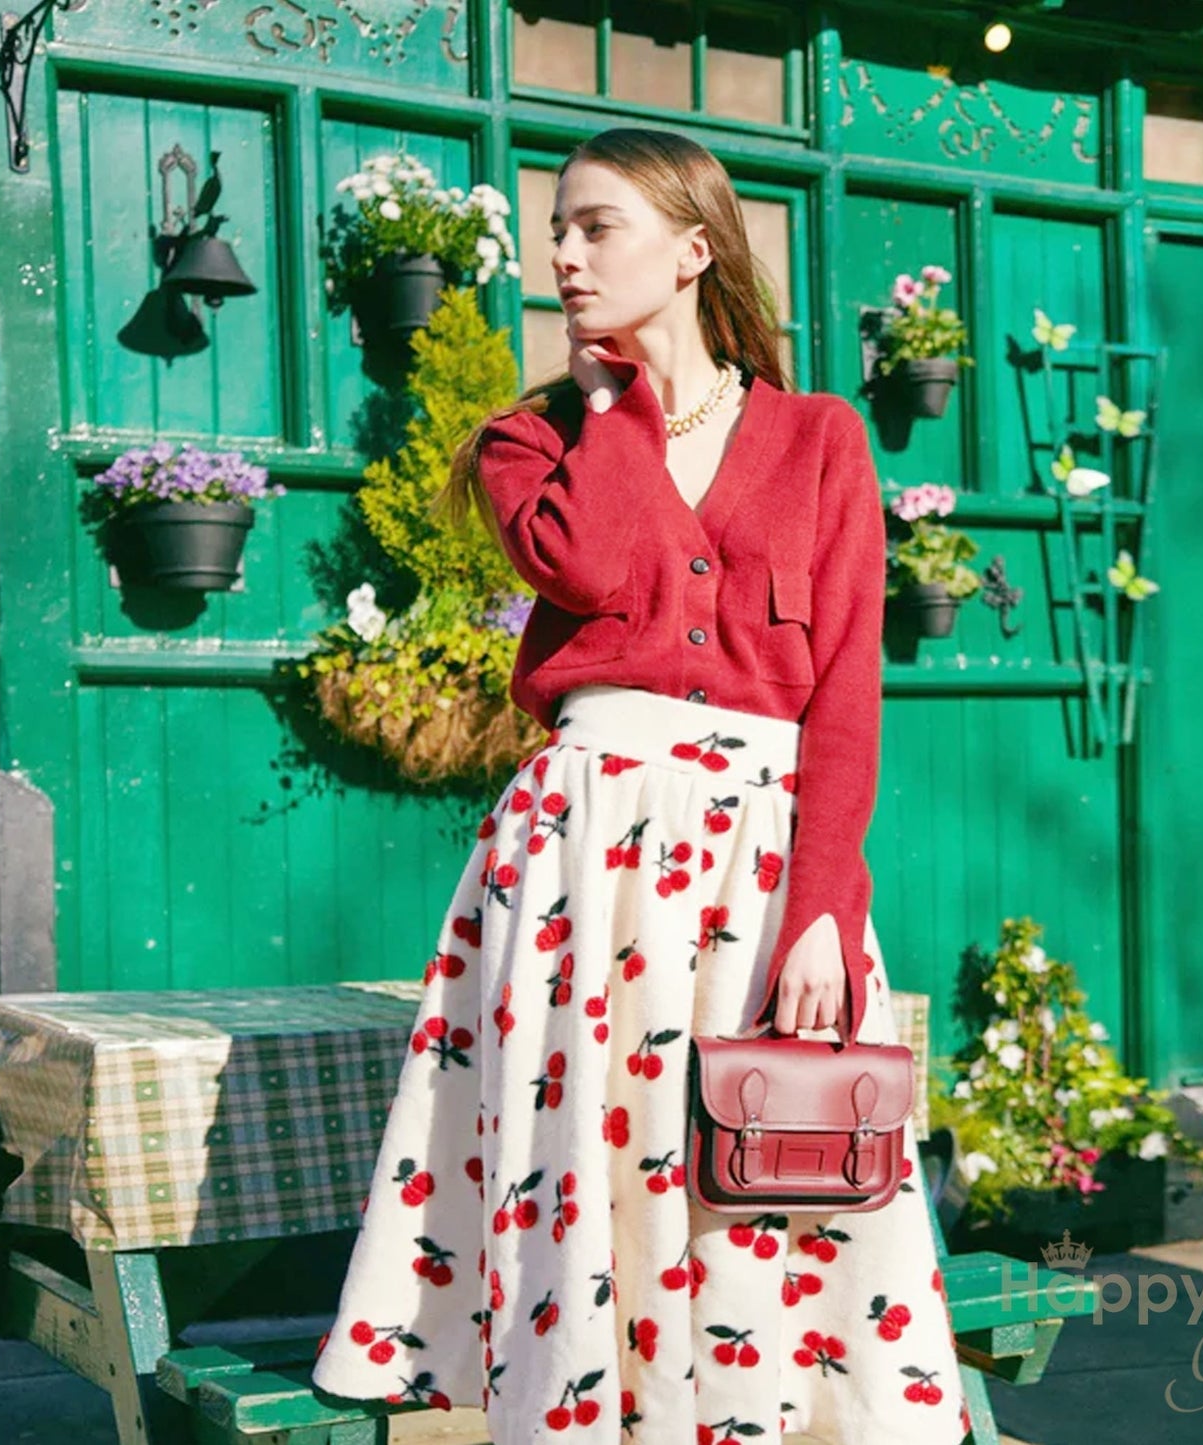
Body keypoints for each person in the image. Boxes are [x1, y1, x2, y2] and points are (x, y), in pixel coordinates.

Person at [311, 125, 970, 1445]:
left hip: (753, 852)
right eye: (557, 229)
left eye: (596, 226)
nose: (561, 253)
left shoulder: (821, 437)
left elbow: (843, 692)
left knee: (745, 1161)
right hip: (581, 851)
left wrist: (826, 907)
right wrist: (615, 405)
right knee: (588, 1165)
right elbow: (601, 571)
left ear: (693, 244)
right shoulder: (527, 442)